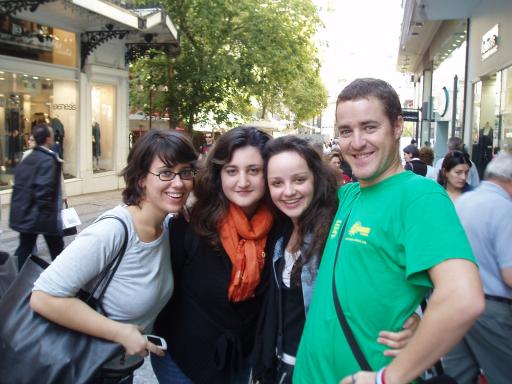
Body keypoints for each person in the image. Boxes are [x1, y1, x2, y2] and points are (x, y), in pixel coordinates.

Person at [293, 78, 484, 384]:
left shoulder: (419, 196)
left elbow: (464, 297)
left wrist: (388, 378)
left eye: (369, 127)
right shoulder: (346, 196)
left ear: (397, 127)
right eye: (346, 131)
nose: (356, 142)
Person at [29, 129, 198, 380]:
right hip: (83, 370)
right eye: (165, 173)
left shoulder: (165, 226)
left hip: (119, 370)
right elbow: (42, 297)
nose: (179, 182)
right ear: (141, 178)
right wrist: (120, 332)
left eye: (185, 172)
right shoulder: (113, 231)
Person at [252, 136, 420, 383]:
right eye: (277, 183)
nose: (288, 191)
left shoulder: (336, 224)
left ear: (316, 179)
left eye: (299, 180)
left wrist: (412, 315)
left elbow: (378, 267)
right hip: (280, 365)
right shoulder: (278, 227)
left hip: (326, 370)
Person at [152, 127, 275, 384]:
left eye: (254, 170)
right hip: (182, 362)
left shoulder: (280, 228)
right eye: (232, 171)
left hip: (238, 362)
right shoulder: (190, 223)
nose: (242, 182)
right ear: (219, 174)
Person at [443, 153, 512, 383]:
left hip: (456, 302)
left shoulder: (464, 202)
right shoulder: (503, 209)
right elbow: (509, 273)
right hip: (490, 308)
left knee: (457, 374)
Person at [9, 123, 64, 270]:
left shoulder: (28, 158)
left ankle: (18, 281)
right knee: (57, 252)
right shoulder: (47, 159)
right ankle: (61, 281)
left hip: (25, 215)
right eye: (51, 134)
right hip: (41, 217)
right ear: (48, 139)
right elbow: (43, 190)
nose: (53, 136)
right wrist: (49, 218)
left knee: (24, 249)